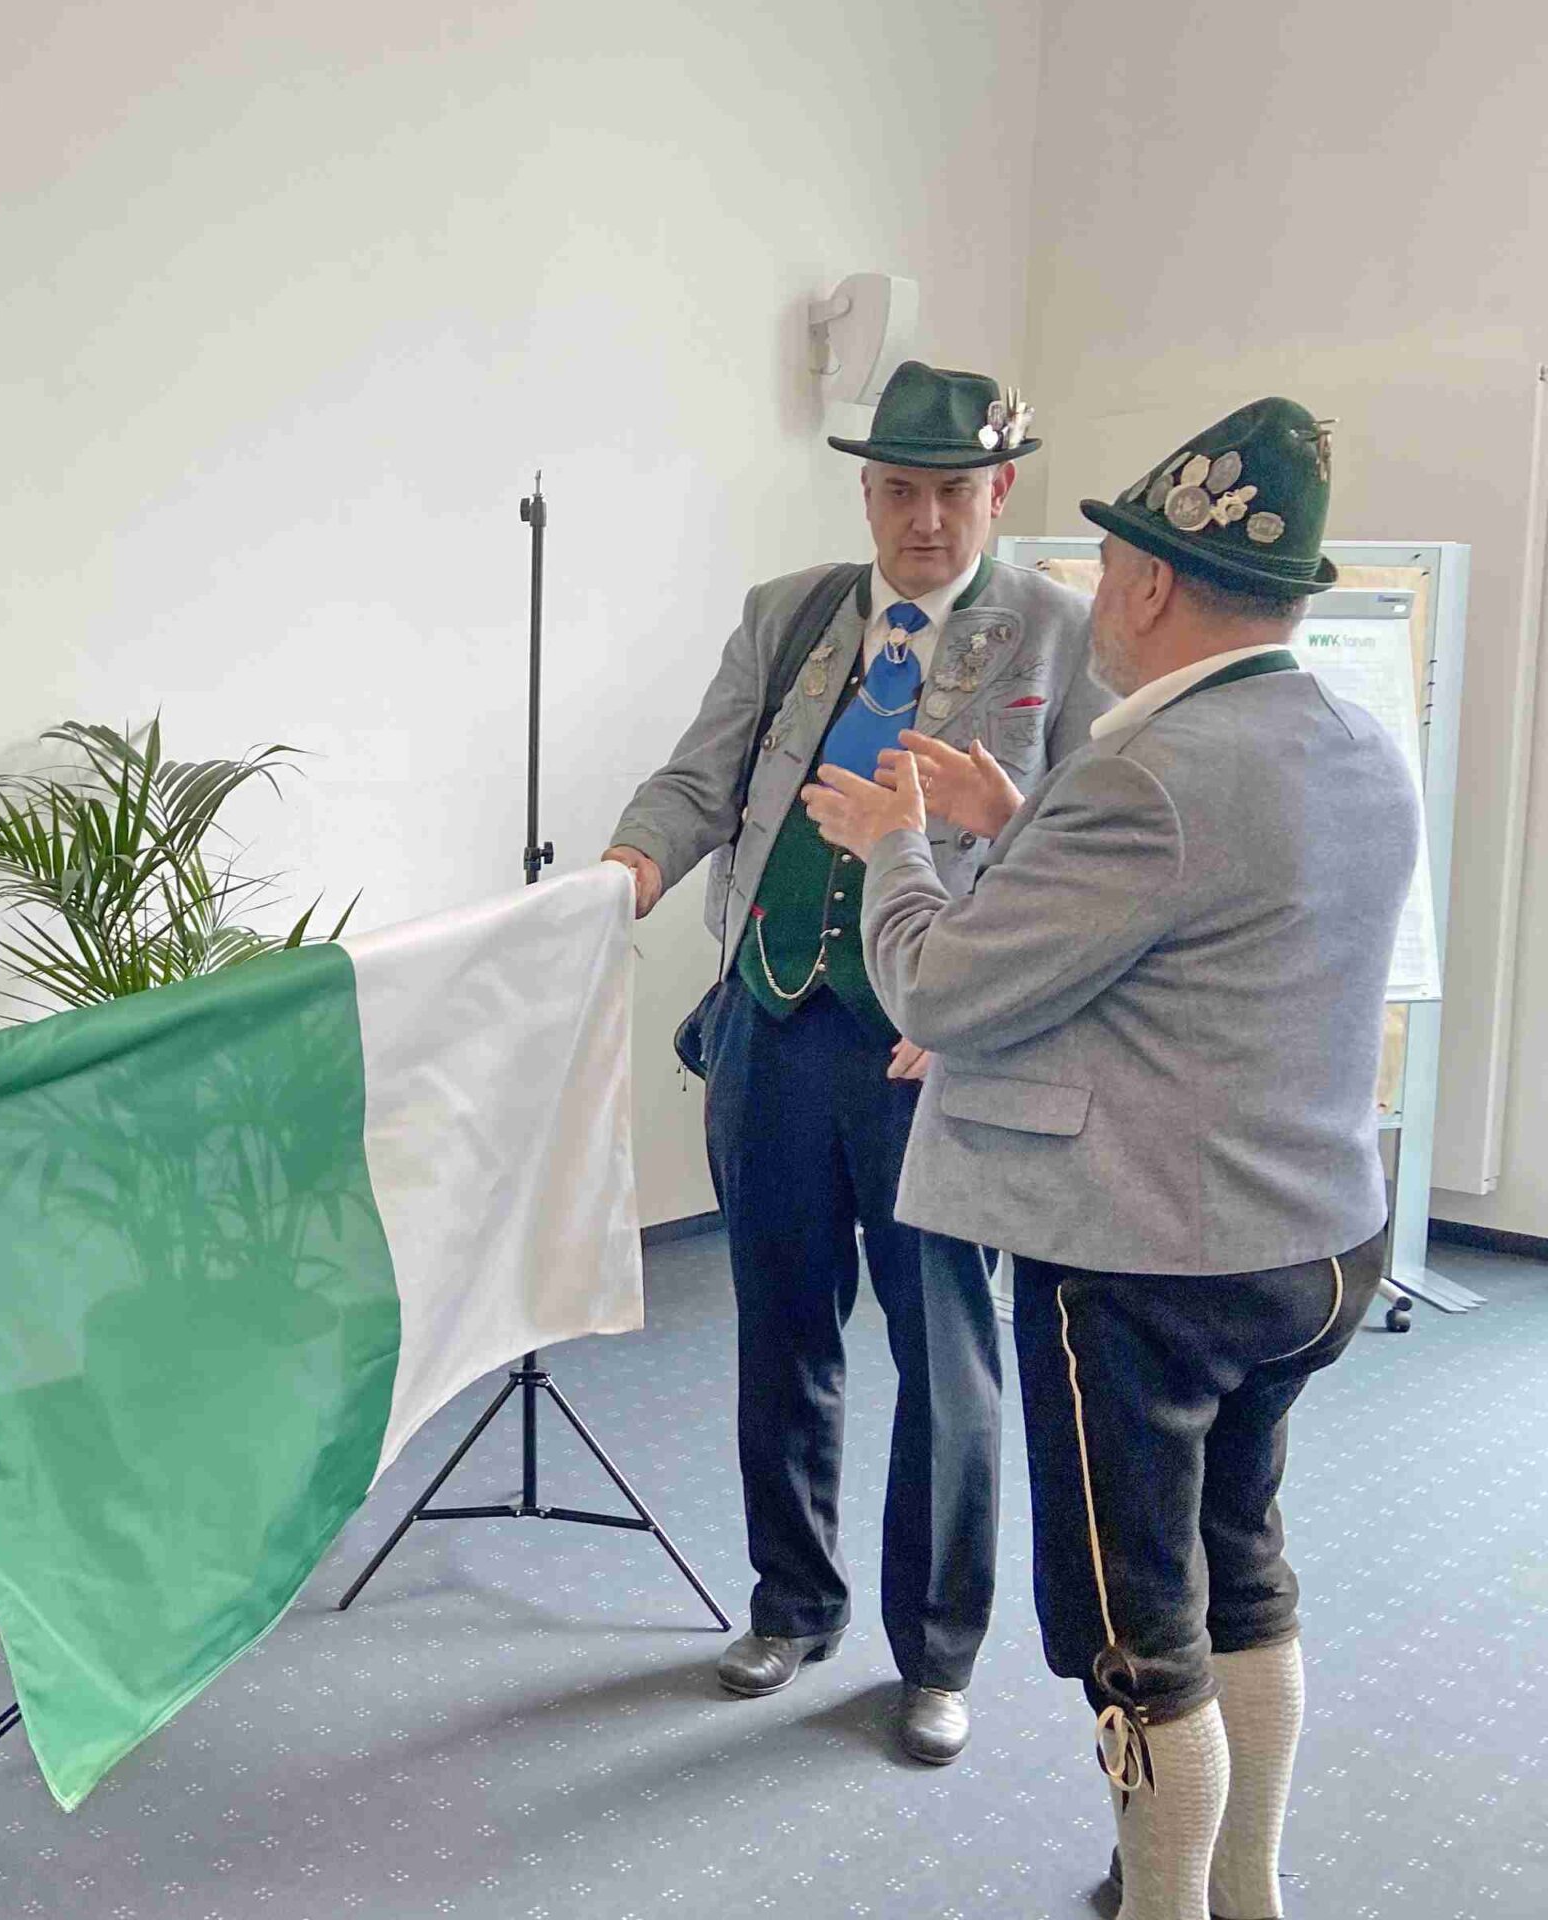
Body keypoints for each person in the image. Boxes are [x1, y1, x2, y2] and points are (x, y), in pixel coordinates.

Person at [803, 398, 1413, 1920]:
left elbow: (942, 990)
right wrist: (1018, 817)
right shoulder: (1355, 738)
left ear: (1145, 586)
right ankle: (1248, 1893)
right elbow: (1202, 932)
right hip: (1315, 1243)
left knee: (1140, 1643)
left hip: (1154, 1266)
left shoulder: (1149, 772)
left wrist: (895, 844)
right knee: (1242, 1570)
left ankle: (1165, 1906)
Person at [603, 361, 1104, 1764]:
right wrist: (626, 870)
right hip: (771, 1026)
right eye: (899, 490)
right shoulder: (792, 614)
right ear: (867, 492)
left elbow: (1083, 858)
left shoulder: (1060, 633)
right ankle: (792, 1603)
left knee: (946, 1356)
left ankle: (936, 1652)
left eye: (953, 492)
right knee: (780, 1329)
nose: (925, 521)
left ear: (999, 491)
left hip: (932, 1055)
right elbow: (700, 779)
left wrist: (984, 1003)